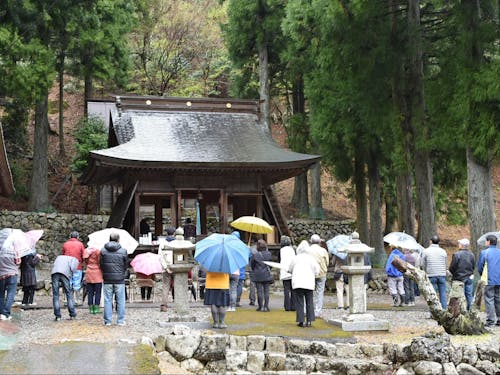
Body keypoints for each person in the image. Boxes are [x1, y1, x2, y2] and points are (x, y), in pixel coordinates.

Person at [100, 232, 128, 326]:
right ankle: (120, 321)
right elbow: (125, 265)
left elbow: (101, 265)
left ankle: (108, 321)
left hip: (107, 278)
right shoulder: (123, 251)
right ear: (118, 240)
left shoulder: (103, 251)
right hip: (119, 279)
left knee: (107, 300)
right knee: (120, 300)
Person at [288, 240, 318, 327]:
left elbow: (290, 269)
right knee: (309, 301)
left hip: (298, 282)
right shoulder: (311, 258)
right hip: (309, 282)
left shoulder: (295, 258)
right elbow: (317, 270)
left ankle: (301, 321)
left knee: (299, 302)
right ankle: (309, 320)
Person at [477, 234, 500, 327]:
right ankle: (499, 319)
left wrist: (482, 275)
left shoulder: (484, 253)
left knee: (489, 299)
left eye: (486, 241)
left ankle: (490, 320)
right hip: (499, 279)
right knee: (498, 299)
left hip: (489, 279)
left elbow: (480, 266)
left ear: (489, 242)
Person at [422, 235, 448, 309]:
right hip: (442, 274)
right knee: (443, 293)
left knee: (432, 294)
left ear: (431, 242)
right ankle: (444, 309)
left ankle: (434, 310)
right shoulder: (443, 251)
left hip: (431, 274)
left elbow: (422, 263)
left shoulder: (426, 251)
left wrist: (425, 271)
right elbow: (446, 263)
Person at [449, 238, 475, 311]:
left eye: (459, 244)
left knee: (459, 296)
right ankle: (470, 311)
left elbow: (452, 267)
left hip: (458, 278)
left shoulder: (457, 255)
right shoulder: (472, 255)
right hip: (469, 277)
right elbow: (473, 266)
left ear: (462, 245)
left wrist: (454, 274)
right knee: (469, 295)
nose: (458, 245)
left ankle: (461, 311)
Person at [51, 255, 78, 321]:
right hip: (65, 274)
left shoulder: (59, 257)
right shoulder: (75, 259)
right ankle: (72, 314)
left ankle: (58, 316)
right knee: (68, 294)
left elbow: (54, 265)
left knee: (55, 295)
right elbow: (73, 269)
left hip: (55, 273)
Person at [308, 234, 330, 317]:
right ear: (319, 241)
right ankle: (318, 311)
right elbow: (327, 262)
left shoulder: (308, 250)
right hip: (321, 273)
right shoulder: (323, 251)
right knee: (320, 293)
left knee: (309, 292)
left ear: (311, 241)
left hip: (310, 273)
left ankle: (309, 310)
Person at [61, 231, 85, 305]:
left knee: (68, 282)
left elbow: (63, 254)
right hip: (77, 266)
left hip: (67, 266)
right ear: (77, 237)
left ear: (70, 236)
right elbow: (83, 255)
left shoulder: (65, 244)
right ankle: (76, 300)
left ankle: (66, 299)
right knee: (77, 282)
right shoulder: (80, 244)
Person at [250, 239, 273, 312]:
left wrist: (255, 270)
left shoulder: (255, 255)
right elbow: (271, 264)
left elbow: (252, 264)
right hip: (266, 273)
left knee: (259, 291)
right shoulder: (269, 254)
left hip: (258, 274)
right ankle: (266, 306)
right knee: (266, 291)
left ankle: (260, 306)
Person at [0, 245, 21, 321]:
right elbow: (18, 262)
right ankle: (6, 313)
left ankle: (1, 313)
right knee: (10, 294)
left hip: (1, 275)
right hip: (12, 274)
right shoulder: (14, 249)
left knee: (1, 295)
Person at [158, 227, 175, 311]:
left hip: (166, 267)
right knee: (178, 285)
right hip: (176, 266)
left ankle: (163, 305)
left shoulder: (162, 243)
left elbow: (160, 257)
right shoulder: (177, 242)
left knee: (165, 286)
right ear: (174, 233)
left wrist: (165, 267)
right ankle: (178, 303)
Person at [83, 246, 103, 314]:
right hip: (97, 272)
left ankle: (91, 308)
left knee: (90, 292)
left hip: (89, 272)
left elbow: (86, 262)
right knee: (98, 292)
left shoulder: (86, 251)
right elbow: (100, 262)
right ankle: (96, 308)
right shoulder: (97, 251)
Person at [279, 235, 296, 311]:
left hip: (284, 271)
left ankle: (287, 306)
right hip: (292, 271)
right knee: (293, 289)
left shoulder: (281, 251)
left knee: (286, 290)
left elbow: (279, 260)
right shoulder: (292, 250)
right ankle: (293, 306)